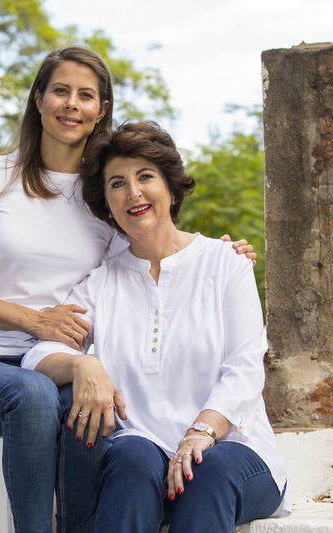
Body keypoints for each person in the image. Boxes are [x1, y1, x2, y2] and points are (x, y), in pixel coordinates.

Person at [0, 47, 256, 533]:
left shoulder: (104, 195)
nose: (71, 104)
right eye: (60, 91)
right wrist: (32, 320)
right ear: (38, 98)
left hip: (59, 366)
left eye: (85, 95)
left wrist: (218, 253)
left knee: (99, 412)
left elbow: (151, 248)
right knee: (35, 396)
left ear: (101, 110)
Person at [22, 121, 289, 533]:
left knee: (205, 471)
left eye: (145, 176)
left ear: (171, 188)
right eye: (117, 184)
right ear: (107, 203)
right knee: (129, 460)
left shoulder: (226, 264)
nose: (133, 193)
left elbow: (245, 368)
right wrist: (81, 364)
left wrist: (201, 433)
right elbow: (38, 354)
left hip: (232, 449)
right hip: (146, 451)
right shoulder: (101, 283)